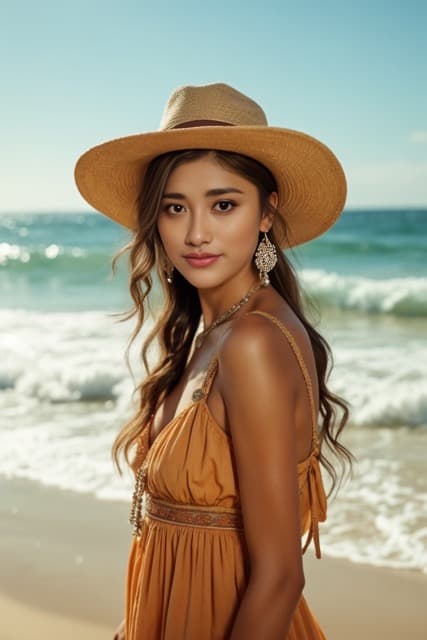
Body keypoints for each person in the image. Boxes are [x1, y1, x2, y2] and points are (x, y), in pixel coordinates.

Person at [74, 82, 355, 640]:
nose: (196, 233)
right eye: (175, 208)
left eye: (223, 204)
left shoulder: (253, 340)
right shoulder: (215, 332)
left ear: (266, 213)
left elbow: (279, 578)